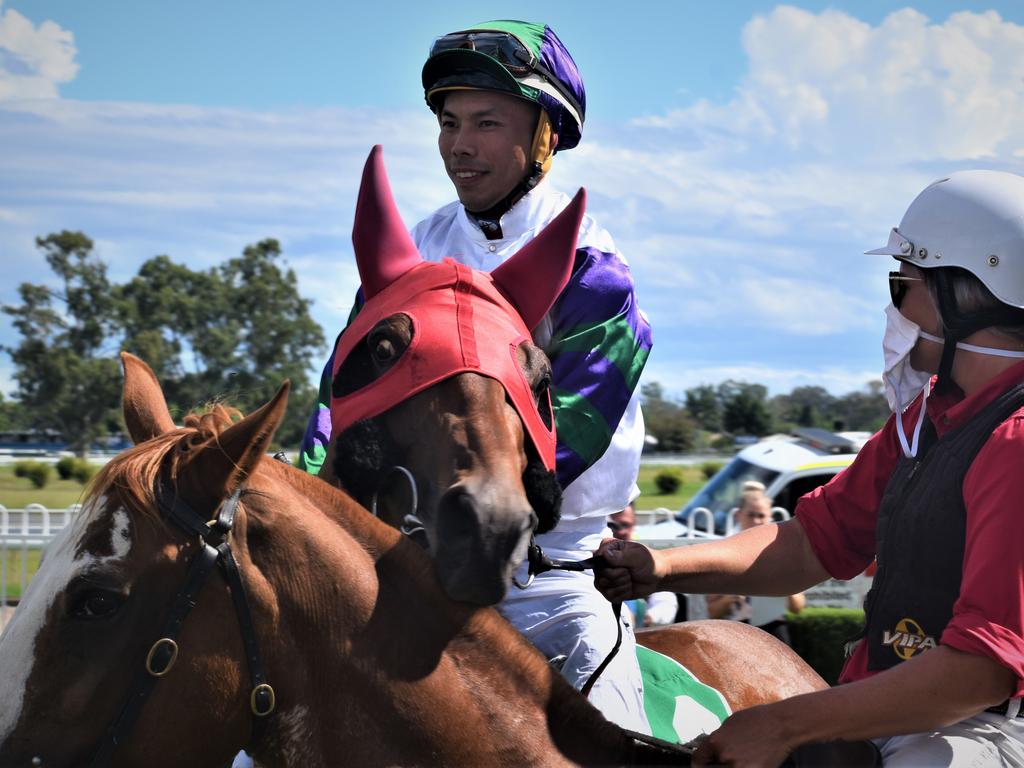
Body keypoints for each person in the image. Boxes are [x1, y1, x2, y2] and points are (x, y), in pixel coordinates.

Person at [595, 170, 1024, 766]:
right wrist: (661, 567)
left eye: (904, 283)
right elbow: (808, 547)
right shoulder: (925, 418)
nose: (890, 304)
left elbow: (980, 673)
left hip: (986, 730)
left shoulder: (1015, 443)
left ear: (967, 296)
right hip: (897, 708)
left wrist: (779, 725)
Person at [299, 20, 653, 734]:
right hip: (404, 572)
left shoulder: (593, 266)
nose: (460, 146)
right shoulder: (414, 249)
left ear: (546, 134)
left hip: (549, 584)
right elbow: (339, 395)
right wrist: (311, 492)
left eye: (487, 123)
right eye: (450, 122)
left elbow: (571, 434)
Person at [706, 482, 804, 644]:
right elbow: (712, 611)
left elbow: (798, 606)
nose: (757, 521)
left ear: (770, 517)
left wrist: (785, 585)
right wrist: (731, 596)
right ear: (738, 515)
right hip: (737, 631)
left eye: (761, 516)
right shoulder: (723, 553)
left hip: (774, 630)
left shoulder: (784, 553)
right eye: (751, 515)